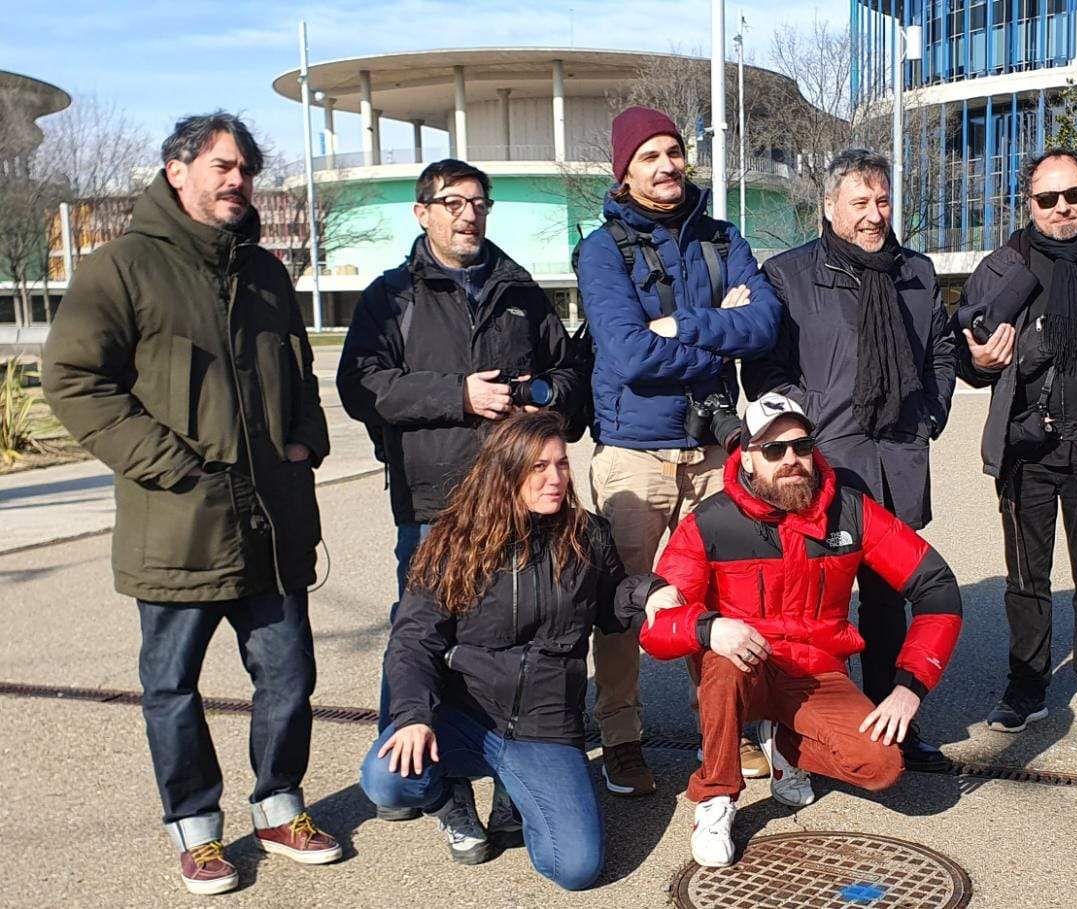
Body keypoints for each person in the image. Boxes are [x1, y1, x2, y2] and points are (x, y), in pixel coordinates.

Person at [42, 112, 341, 895]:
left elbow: (301, 377)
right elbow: (74, 379)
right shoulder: (122, 268)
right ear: (178, 170)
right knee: (172, 687)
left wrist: (306, 439)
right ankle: (197, 829)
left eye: (246, 167)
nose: (238, 178)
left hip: (272, 520)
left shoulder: (269, 272)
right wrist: (165, 464)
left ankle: (279, 804)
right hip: (177, 522)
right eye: (223, 165)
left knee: (288, 677)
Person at [337, 158, 586, 842]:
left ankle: (515, 775)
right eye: (452, 202)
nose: (467, 214)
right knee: (420, 633)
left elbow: (570, 378)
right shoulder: (393, 296)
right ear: (423, 212)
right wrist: (457, 395)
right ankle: (428, 778)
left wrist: (539, 394)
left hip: (515, 501)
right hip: (433, 503)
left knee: (515, 631)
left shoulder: (518, 291)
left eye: (479, 202)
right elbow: (361, 385)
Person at [632, 392, 963, 867]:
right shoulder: (711, 520)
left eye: (801, 446)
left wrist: (911, 685)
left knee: (883, 765)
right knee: (720, 663)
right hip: (744, 664)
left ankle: (784, 744)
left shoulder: (851, 510)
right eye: (773, 449)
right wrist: (707, 627)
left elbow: (937, 587)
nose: (791, 459)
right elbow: (658, 629)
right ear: (746, 457)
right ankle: (717, 795)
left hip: (817, 674)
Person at [360, 411, 658, 890]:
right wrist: (414, 715)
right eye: (539, 467)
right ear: (505, 471)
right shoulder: (453, 539)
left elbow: (612, 605)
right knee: (386, 776)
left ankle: (515, 790)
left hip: (545, 725)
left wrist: (651, 593)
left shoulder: (588, 534)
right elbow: (414, 638)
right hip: (467, 716)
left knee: (575, 869)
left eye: (561, 464)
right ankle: (448, 800)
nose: (556, 478)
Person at [575, 105, 781, 796]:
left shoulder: (722, 237)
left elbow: (764, 324)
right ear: (624, 171)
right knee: (624, 600)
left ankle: (724, 725)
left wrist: (687, 321)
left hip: (708, 445)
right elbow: (629, 351)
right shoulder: (602, 249)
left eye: (673, 151)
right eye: (649, 157)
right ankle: (622, 734)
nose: (666, 166)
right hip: (633, 452)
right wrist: (723, 323)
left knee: (724, 593)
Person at [743, 149, 957, 771]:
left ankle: (893, 718)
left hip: (897, 457)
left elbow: (940, 351)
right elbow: (765, 371)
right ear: (829, 207)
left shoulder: (915, 273)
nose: (873, 215)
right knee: (816, 600)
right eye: (859, 203)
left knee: (891, 597)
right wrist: (805, 428)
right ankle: (811, 723)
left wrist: (930, 413)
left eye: (882, 201)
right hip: (824, 461)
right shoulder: (788, 275)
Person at [954, 149, 1077, 743]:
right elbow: (968, 358)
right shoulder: (1003, 266)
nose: (1063, 208)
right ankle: (1028, 685)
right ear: (1029, 203)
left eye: (1075, 195)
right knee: (1025, 579)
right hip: (1026, 448)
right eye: (1048, 198)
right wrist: (980, 360)